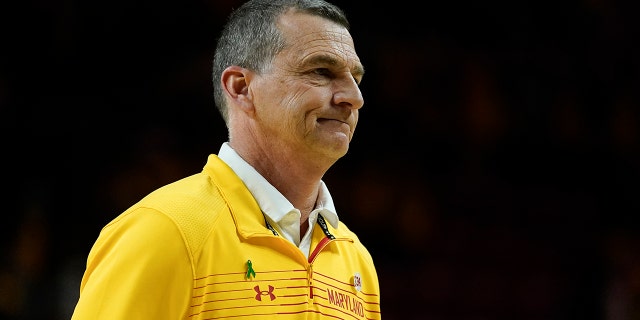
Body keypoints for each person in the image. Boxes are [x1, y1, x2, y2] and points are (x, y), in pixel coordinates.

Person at [71, 0, 381, 319]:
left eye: (355, 78)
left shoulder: (355, 259)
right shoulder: (165, 231)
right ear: (242, 88)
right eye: (321, 71)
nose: (354, 98)